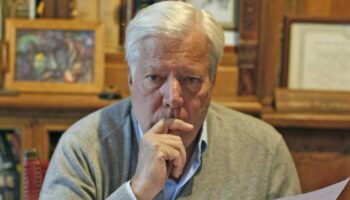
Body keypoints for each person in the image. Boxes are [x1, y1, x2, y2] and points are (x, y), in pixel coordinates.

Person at [40, 1, 301, 199]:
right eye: (154, 78)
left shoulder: (265, 150)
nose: (173, 98)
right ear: (131, 79)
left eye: (191, 80)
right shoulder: (84, 147)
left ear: (212, 81)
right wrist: (137, 191)